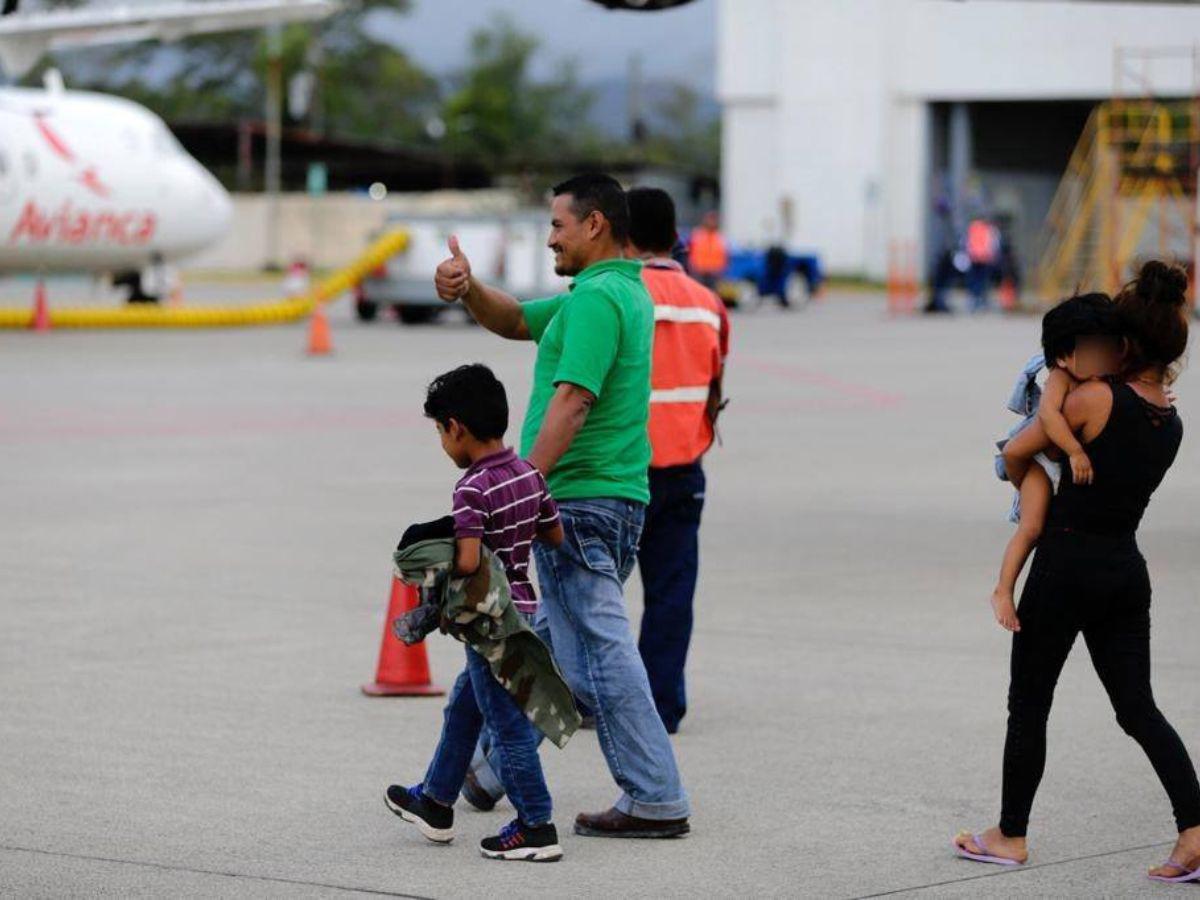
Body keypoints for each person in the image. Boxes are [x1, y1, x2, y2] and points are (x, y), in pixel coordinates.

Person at [435, 173, 691, 838]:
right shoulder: (599, 296)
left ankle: (656, 794)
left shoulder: (600, 301)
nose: (550, 237)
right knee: (543, 645)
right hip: (600, 499)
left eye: (557, 225)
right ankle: (486, 772)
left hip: (580, 504)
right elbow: (515, 319)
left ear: (595, 224)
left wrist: (520, 485)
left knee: (598, 656)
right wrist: (468, 291)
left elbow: (572, 400)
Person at [953, 261, 1200, 885]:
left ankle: (1009, 834)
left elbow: (1015, 450)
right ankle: (1195, 830)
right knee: (1137, 707)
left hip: (1066, 562)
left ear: (1123, 343)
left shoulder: (1092, 398)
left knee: (1029, 702)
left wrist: (1026, 481)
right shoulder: (1169, 420)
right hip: (1124, 568)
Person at [384, 364, 567, 862]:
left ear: (456, 428)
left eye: (441, 432)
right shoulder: (529, 473)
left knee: (507, 728)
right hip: (524, 614)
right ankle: (436, 801)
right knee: (464, 706)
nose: (443, 443)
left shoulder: (471, 489)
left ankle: (536, 825)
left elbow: (466, 561)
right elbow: (553, 535)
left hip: (490, 627)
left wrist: (439, 560)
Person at [625, 186, 730, 733]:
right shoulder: (708, 304)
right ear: (675, 237)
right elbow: (714, 386)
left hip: (618, 469)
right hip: (685, 469)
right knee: (671, 592)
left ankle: (588, 697)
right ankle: (660, 705)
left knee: (591, 597)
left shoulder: (614, 293)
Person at [990, 294, 1123, 633]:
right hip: (1042, 464)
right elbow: (1048, 416)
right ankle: (1003, 590)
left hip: (1062, 465)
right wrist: (1075, 451)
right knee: (1032, 528)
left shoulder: (1102, 376)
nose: (1103, 357)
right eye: (1092, 350)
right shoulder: (1060, 379)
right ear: (1064, 357)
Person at [687, 210, 728, 290]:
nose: (711, 222)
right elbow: (690, 251)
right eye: (709, 219)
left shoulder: (719, 238)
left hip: (714, 273)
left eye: (713, 220)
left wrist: (721, 269)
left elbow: (724, 256)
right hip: (699, 272)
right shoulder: (697, 235)